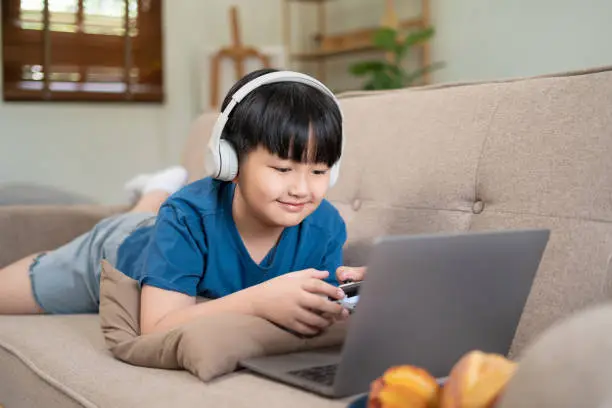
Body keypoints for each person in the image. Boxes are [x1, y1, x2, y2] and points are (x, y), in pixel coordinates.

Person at [0, 68, 367, 337]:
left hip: (163, 230)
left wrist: (362, 296)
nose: (302, 189)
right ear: (229, 163)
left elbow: (323, 312)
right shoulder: (188, 215)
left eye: (319, 172)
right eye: (282, 168)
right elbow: (157, 325)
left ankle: (154, 191)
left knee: (151, 216)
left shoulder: (326, 224)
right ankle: (155, 195)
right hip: (119, 250)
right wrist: (258, 300)